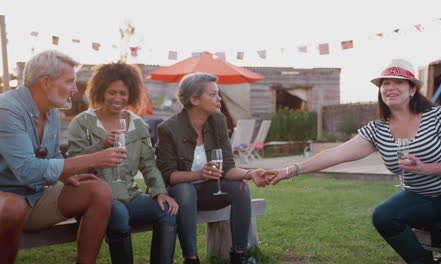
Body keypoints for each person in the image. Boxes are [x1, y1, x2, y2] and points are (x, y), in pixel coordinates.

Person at [265, 59, 441, 264]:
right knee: (383, 216)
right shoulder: (377, 129)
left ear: (412, 89)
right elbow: (336, 153)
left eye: (398, 82)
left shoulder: (439, 117)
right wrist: (290, 170)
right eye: (385, 83)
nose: (390, 88)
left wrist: (427, 168)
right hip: (419, 196)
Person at [0, 50, 127, 264]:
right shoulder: (6, 110)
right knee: (13, 206)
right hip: (6, 201)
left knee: (99, 190)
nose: (75, 89)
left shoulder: (51, 112)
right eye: (70, 82)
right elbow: (28, 171)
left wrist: (67, 176)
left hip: (35, 198)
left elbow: (53, 155)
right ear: (46, 82)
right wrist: (93, 159)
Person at [67, 62, 178, 264]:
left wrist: (160, 191)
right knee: (118, 211)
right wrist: (100, 146)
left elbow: (148, 164)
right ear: (101, 91)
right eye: (112, 92)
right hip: (95, 199)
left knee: (166, 211)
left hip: (130, 194)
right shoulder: (82, 123)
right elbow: (73, 164)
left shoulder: (138, 124)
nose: (118, 98)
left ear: (131, 94)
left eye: (123, 93)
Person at [156, 72, 270, 264]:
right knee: (185, 190)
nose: (219, 99)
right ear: (194, 99)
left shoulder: (218, 121)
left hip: (210, 192)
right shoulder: (168, 128)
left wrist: (251, 174)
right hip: (181, 197)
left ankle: (238, 255)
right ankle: (191, 258)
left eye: (218, 94)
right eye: (212, 94)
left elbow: (228, 168)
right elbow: (169, 176)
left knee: (240, 187)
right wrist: (198, 174)